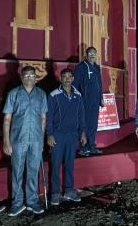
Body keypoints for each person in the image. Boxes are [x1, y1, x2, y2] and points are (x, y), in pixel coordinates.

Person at [3, 65, 47, 216]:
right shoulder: (13, 94)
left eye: (32, 75)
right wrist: (6, 141)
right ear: (21, 77)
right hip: (18, 140)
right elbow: (7, 119)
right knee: (17, 172)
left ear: (36, 78)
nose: (29, 78)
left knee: (33, 172)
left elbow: (43, 118)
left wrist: (41, 140)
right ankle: (17, 203)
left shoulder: (41, 94)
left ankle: (32, 202)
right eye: (26, 76)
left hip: (35, 140)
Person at [46, 68, 87, 205]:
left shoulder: (78, 95)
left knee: (70, 164)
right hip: (58, 135)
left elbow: (82, 116)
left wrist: (82, 132)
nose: (67, 79)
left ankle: (69, 190)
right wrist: (50, 134)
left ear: (73, 79)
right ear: (61, 78)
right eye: (64, 76)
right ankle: (55, 193)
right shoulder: (53, 95)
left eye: (70, 77)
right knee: (55, 164)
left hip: (72, 135)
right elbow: (49, 117)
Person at [73, 46, 104, 156]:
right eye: (90, 53)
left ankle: (92, 146)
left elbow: (100, 84)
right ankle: (83, 147)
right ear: (86, 55)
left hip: (95, 101)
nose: (92, 55)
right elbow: (75, 85)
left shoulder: (97, 67)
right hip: (84, 101)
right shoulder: (81, 67)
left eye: (94, 53)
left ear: (96, 55)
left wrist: (101, 98)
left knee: (93, 124)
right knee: (84, 124)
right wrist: (76, 100)